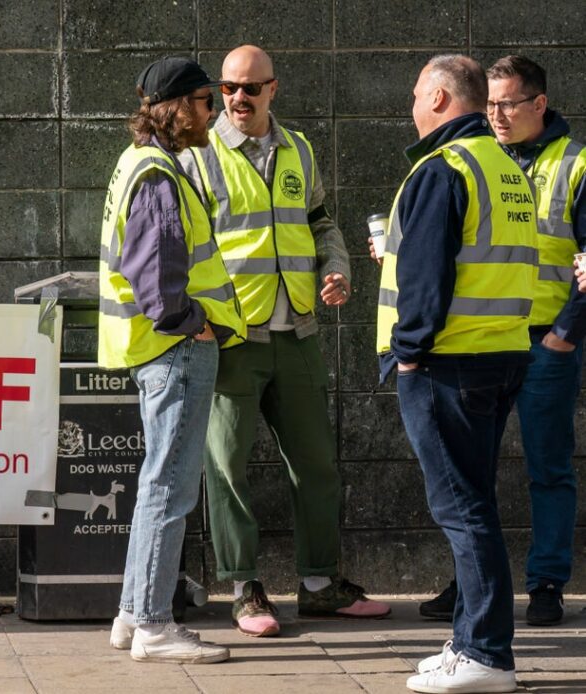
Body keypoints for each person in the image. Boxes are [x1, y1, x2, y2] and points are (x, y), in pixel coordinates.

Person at [178, 44, 389, 638]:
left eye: (250, 88)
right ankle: (245, 589)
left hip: (296, 330)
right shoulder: (198, 154)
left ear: (274, 89)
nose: (237, 99)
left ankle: (320, 585)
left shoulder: (298, 149)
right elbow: (185, 239)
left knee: (317, 464)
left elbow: (320, 221)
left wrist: (337, 266)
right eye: (227, 89)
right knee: (227, 466)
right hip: (233, 335)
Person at [377, 55, 538, 694]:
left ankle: (486, 654)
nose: (412, 105)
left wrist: (409, 352)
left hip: (446, 364)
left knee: (463, 508)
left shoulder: (442, 168)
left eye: (418, 94)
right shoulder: (505, 167)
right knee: (474, 502)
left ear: (442, 98)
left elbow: (426, 278)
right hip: (500, 355)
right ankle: (470, 640)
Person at [417, 55, 586, 628]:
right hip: (486, 339)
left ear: (539, 104)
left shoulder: (574, 164)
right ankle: (470, 586)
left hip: (545, 341)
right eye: (489, 103)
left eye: (508, 103)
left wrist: (565, 334)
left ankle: (545, 584)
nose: (496, 114)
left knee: (549, 466)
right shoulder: (483, 157)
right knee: (468, 472)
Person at [97, 56, 246, 664]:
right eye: (208, 99)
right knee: (171, 487)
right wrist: (197, 326)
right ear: (179, 106)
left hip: (159, 351)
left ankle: (134, 614)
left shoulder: (140, 163)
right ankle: (157, 625)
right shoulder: (159, 172)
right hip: (176, 349)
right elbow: (157, 279)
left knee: (157, 483)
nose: (213, 111)